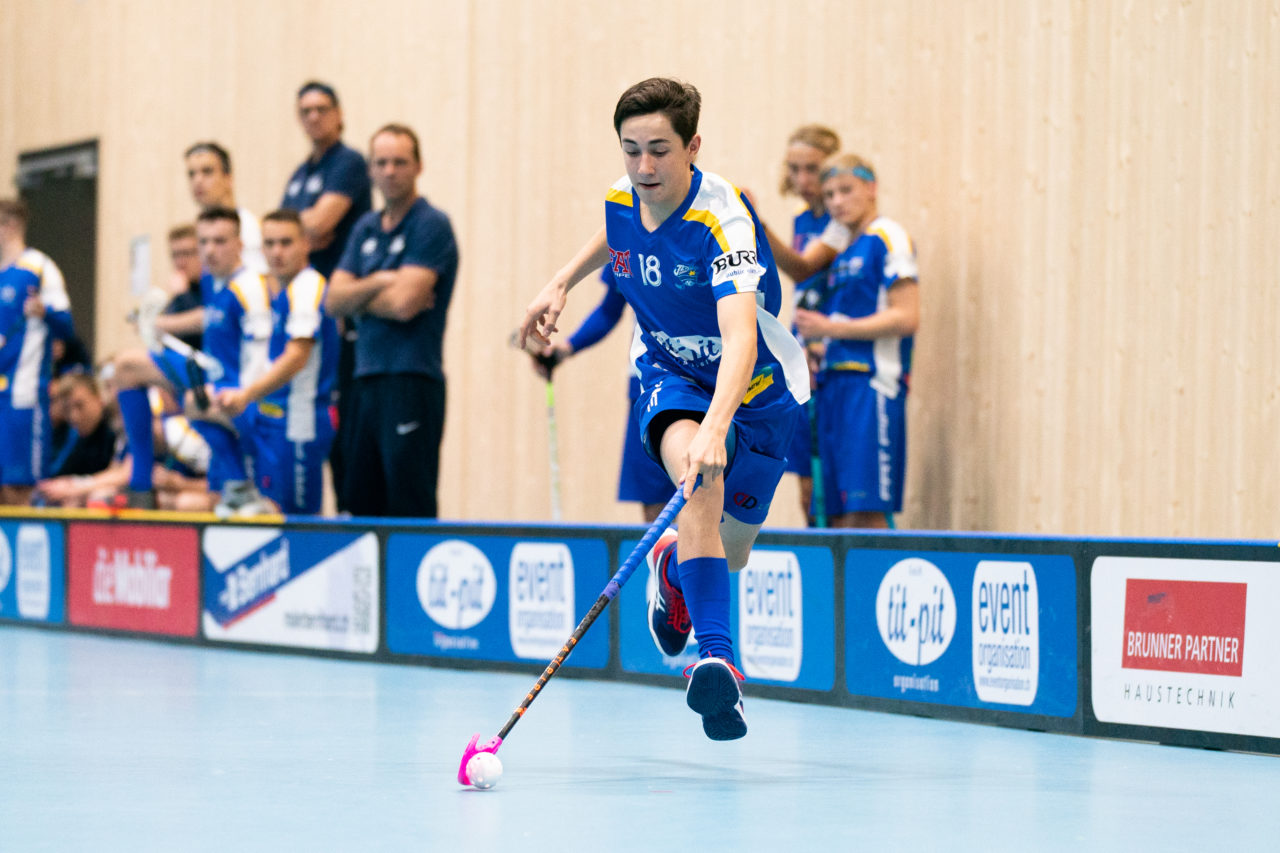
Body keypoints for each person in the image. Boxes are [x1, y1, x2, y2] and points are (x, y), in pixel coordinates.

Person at [519, 79, 808, 741]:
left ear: (693, 146)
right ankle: (719, 662)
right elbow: (615, 223)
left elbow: (739, 337)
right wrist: (561, 280)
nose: (644, 167)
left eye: (659, 151)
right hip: (670, 373)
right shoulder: (625, 194)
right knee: (699, 483)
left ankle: (671, 566)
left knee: (728, 551)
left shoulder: (724, 220)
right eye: (631, 150)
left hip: (757, 390)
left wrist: (718, 425)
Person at [325, 123, 459, 518]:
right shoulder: (364, 228)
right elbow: (333, 300)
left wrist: (360, 295)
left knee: (408, 499)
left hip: (411, 378)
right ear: (370, 169)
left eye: (399, 162)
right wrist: (383, 280)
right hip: (364, 378)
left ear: (418, 166)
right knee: (359, 497)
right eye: (381, 162)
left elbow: (404, 303)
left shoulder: (430, 224)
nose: (389, 171)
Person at [113, 207, 273, 514]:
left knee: (194, 401)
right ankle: (141, 484)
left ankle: (238, 483)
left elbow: (262, 360)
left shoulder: (250, 288)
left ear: (240, 244)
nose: (210, 250)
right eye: (204, 242)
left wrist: (243, 397)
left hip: (243, 392)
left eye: (220, 241)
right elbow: (203, 321)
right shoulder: (211, 281)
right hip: (210, 375)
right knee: (125, 367)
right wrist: (158, 325)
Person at [792, 154, 919, 528]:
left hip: (872, 384)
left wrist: (830, 329)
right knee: (829, 517)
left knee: (864, 514)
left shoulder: (887, 236)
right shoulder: (843, 248)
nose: (836, 202)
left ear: (872, 188)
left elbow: (907, 316)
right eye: (829, 195)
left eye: (846, 190)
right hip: (833, 388)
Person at [280, 80, 372, 513]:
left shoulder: (348, 163)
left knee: (344, 425)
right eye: (306, 110)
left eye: (321, 109)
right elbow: (289, 235)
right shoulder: (300, 174)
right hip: (302, 313)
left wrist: (310, 230)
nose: (313, 117)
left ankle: (349, 513)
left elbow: (315, 228)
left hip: (339, 316)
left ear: (338, 114)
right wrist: (306, 230)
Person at [212, 209, 338, 514]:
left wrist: (246, 395)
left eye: (286, 243)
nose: (276, 252)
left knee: (298, 523)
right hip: (277, 421)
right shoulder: (284, 292)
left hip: (300, 423)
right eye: (269, 244)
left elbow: (297, 356)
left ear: (305, 244)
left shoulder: (307, 288)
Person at [528, 266, 671, 523]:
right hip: (646, 386)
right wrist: (566, 350)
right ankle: (662, 564)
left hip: (704, 383)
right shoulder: (625, 232)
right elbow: (609, 310)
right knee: (655, 506)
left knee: (706, 497)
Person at [768, 125, 841, 526]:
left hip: (832, 358)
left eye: (812, 169)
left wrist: (757, 224)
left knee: (829, 484)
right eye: (794, 169)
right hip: (801, 357)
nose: (802, 180)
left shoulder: (840, 221)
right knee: (805, 488)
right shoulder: (801, 220)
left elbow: (802, 267)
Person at [0, 198, 74, 506]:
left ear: (11, 224)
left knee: (19, 487)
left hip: (24, 395)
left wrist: (45, 312)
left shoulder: (40, 268)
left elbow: (67, 327)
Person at [184, 142, 267, 274]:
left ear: (228, 178)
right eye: (191, 174)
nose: (198, 180)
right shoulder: (195, 231)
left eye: (207, 171)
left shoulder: (250, 229)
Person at [47, 372, 116, 478]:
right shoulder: (77, 438)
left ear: (98, 397)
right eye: (67, 409)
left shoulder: (117, 433)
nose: (74, 416)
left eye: (80, 405)